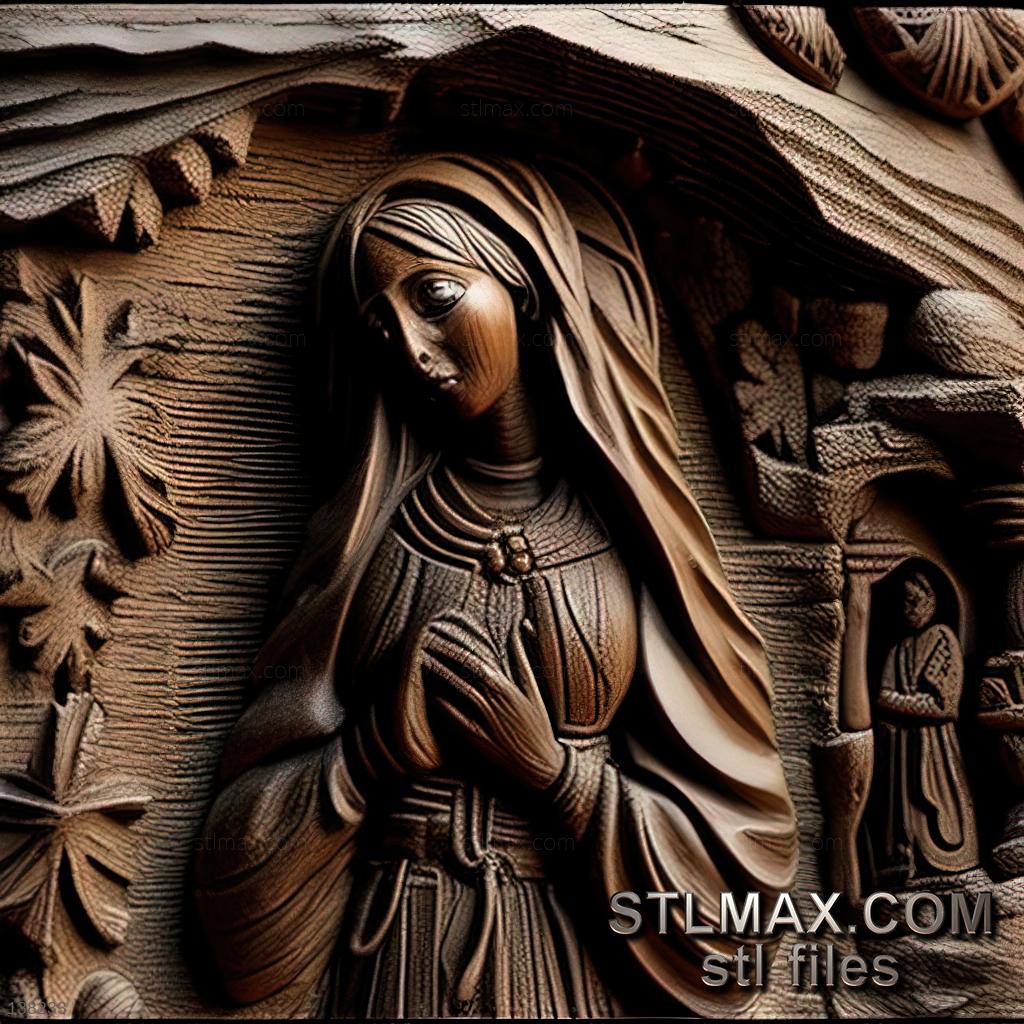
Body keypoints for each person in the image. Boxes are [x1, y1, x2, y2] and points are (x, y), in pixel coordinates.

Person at [193, 154, 797, 1018]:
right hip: (400, 948)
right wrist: (368, 755)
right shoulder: (370, 544)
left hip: (567, 952)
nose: (411, 348)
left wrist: (558, 777)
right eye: (381, 328)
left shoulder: (632, 538)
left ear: (525, 283)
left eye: (436, 297)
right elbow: (235, 896)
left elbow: (742, 879)